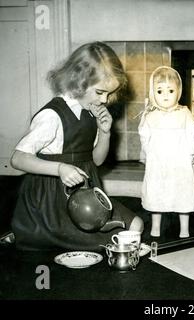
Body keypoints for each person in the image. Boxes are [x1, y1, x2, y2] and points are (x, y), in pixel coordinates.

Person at [10, 42, 143, 251]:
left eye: (109, 94)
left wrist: (105, 132)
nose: (105, 100)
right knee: (118, 241)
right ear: (79, 81)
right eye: (100, 92)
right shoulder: (52, 116)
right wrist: (60, 168)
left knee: (136, 226)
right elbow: (17, 159)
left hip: (86, 193)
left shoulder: (89, 110)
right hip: (53, 201)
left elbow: (96, 161)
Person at [138, 66, 194, 238]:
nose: (166, 95)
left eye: (170, 90)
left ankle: (184, 228)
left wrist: (193, 154)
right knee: (157, 194)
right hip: (158, 162)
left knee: (182, 194)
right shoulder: (150, 115)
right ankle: (155, 227)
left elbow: (192, 135)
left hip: (180, 162)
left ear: (179, 92)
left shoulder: (184, 113)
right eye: (160, 91)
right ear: (153, 93)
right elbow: (144, 135)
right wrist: (147, 153)